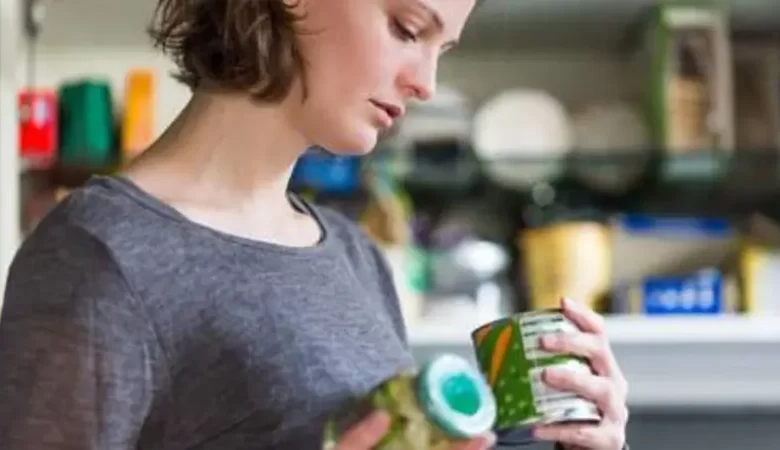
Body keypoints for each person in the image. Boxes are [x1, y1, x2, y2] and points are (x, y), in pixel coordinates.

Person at [0, 0, 629, 449]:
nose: (426, 83)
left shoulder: (353, 255)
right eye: (407, 28)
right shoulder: (100, 255)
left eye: (442, 50)